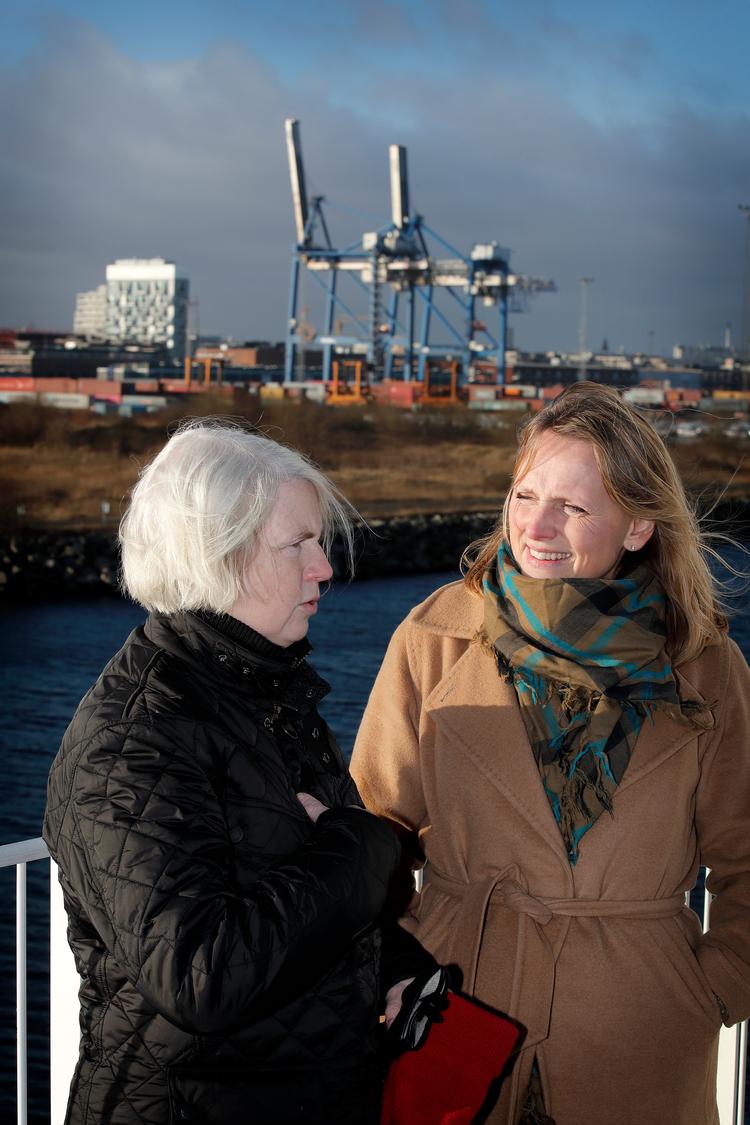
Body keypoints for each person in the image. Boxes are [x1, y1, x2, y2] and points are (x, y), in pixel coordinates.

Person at [351, 381, 750, 1125]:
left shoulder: (704, 664)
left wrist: (716, 986)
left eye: (572, 506)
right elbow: (371, 838)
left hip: (638, 1030)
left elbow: (747, 855)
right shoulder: (432, 640)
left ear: (636, 526)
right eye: (525, 494)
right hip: (456, 1006)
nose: (536, 525)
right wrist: (387, 974)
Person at [43, 420, 434, 1125]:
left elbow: (296, 883)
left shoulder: (265, 695)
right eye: (298, 545)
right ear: (216, 555)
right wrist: (365, 849)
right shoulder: (132, 738)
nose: (325, 568)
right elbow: (199, 972)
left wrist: (395, 964)